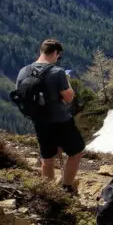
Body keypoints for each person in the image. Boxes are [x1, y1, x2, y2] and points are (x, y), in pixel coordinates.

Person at [16, 39, 84, 194]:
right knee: (76, 151)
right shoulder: (57, 72)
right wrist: (68, 82)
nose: (57, 59)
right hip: (60, 120)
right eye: (58, 56)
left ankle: (47, 192)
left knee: (47, 157)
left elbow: (20, 95)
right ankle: (66, 186)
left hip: (39, 121)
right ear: (55, 53)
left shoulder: (24, 71)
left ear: (41, 51)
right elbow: (68, 98)